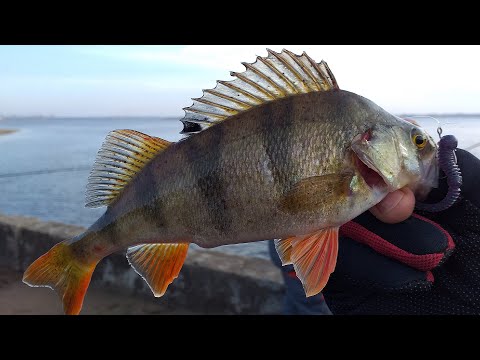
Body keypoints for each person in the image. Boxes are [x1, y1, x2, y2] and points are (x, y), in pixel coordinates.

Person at [271, 147, 480, 314]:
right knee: (306, 298)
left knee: (304, 294)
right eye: (417, 141)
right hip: (301, 232)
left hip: (306, 233)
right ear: (368, 140)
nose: (427, 149)